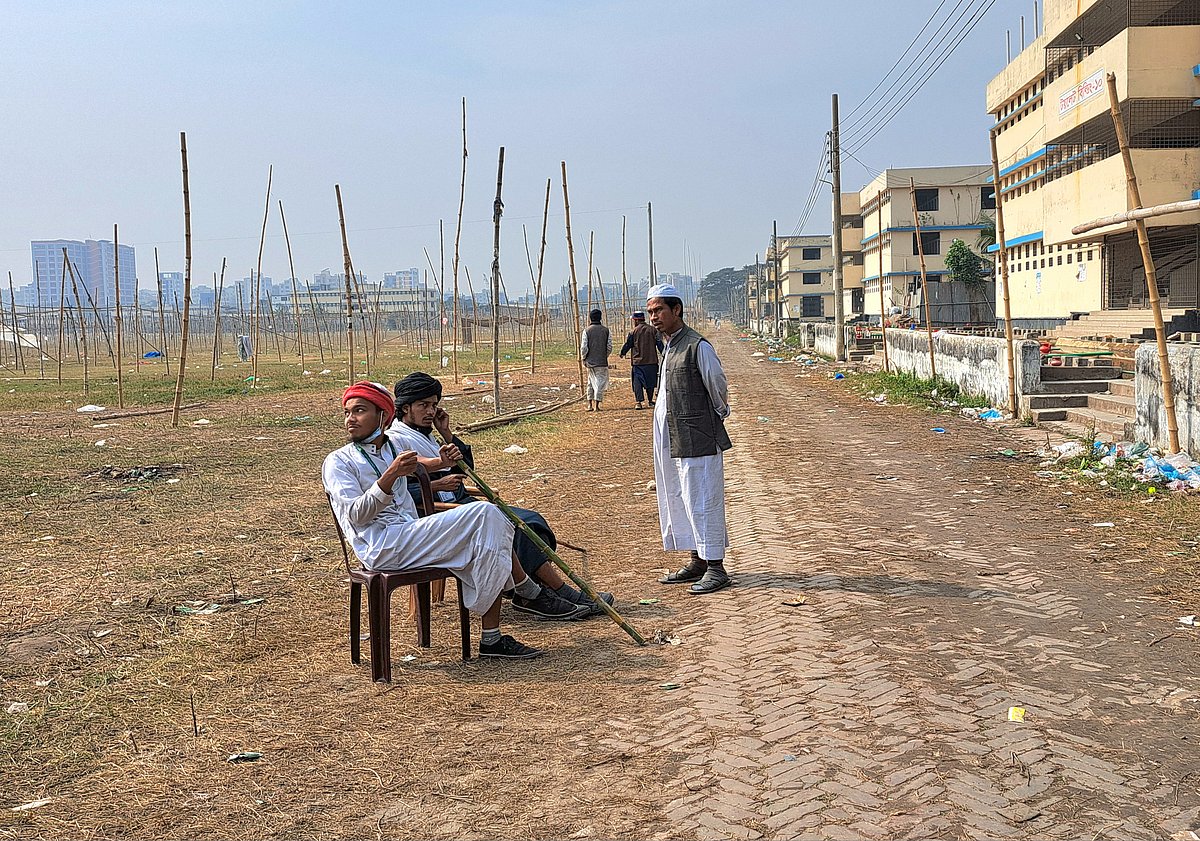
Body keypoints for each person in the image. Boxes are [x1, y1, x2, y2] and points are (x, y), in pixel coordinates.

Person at [323, 381, 585, 661]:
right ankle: (526, 591)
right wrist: (390, 476)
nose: (350, 419)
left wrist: (441, 460)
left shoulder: (393, 446)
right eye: (348, 412)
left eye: (359, 411)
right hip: (382, 546)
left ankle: (492, 639)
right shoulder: (338, 462)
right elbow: (356, 515)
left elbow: (422, 465)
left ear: (383, 417)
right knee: (487, 515)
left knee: (490, 532)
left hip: (411, 535)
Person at [389, 372, 614, 618]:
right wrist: (437, 486)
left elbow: (466, 470)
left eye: (434, 405)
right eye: (423, 405)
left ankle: (539, 590)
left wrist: (447, 433)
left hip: (461, 503)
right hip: (437, 513)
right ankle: (555, 592)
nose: (430, 411)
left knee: (531, 521)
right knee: (516, 527)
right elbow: (399, 492)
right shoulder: (396, 439)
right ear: (405, 407)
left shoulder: (425, 434)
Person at [645, 285, 733, 595]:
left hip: (697, 436)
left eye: (659, 310)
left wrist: (714, 415)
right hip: (672, 437)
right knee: (679, 496)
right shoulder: (668, 345)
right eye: (651, 311)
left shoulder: (697, 346)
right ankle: (696, 559)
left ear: (676, 310)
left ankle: (716, 567)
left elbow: (717, 386)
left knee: (703, 498)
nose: (653, 316)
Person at [618, 311, 663, 410]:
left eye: (634, 320)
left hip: (638, 362)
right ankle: (650, 401)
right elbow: (660, 344)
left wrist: (622, 352)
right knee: (650, 382)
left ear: (637, 320)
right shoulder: (653, 330)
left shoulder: (633, 332)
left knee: (637, 382)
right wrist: (664, 353)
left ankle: (638, 402)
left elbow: (628, 344)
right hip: (652, 362)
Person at [580, 308, 612, 412]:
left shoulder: (587, 330)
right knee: (600, 382)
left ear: (590, 318)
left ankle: (589, 405)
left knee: (590, 382)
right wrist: (604, 356)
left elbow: (584, 348)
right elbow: (609, 347)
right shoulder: (606, 330)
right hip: (602, 362)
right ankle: (597, 405)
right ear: (600, 317)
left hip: (590, 362)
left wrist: (584, 358)